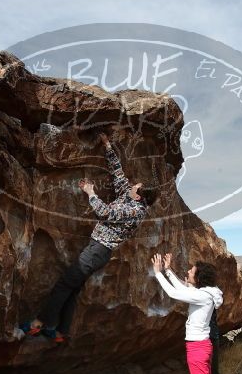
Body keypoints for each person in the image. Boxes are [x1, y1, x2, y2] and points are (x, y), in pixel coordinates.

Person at [21, 133, 158, 342]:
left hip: (97, 252)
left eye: (135, 187)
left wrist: (90, 192)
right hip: (97, 251)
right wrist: (108, 146)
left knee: (64, 284)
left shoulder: (135, 212)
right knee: (73, 289)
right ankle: (61, 333)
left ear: (138, 196)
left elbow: (105, 213)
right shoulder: (129, 197)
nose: (131, 185)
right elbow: (118, 174)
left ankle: (38, 324)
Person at [152, 253, 223, 374]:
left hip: (197, 348)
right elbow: (183, 289)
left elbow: (174, 293)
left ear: (199, 278)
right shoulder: (207, 293)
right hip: (202, 346)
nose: (188, 272)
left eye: (191, 271)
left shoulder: (203, 295)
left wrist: (158, 273)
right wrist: (168, 270)